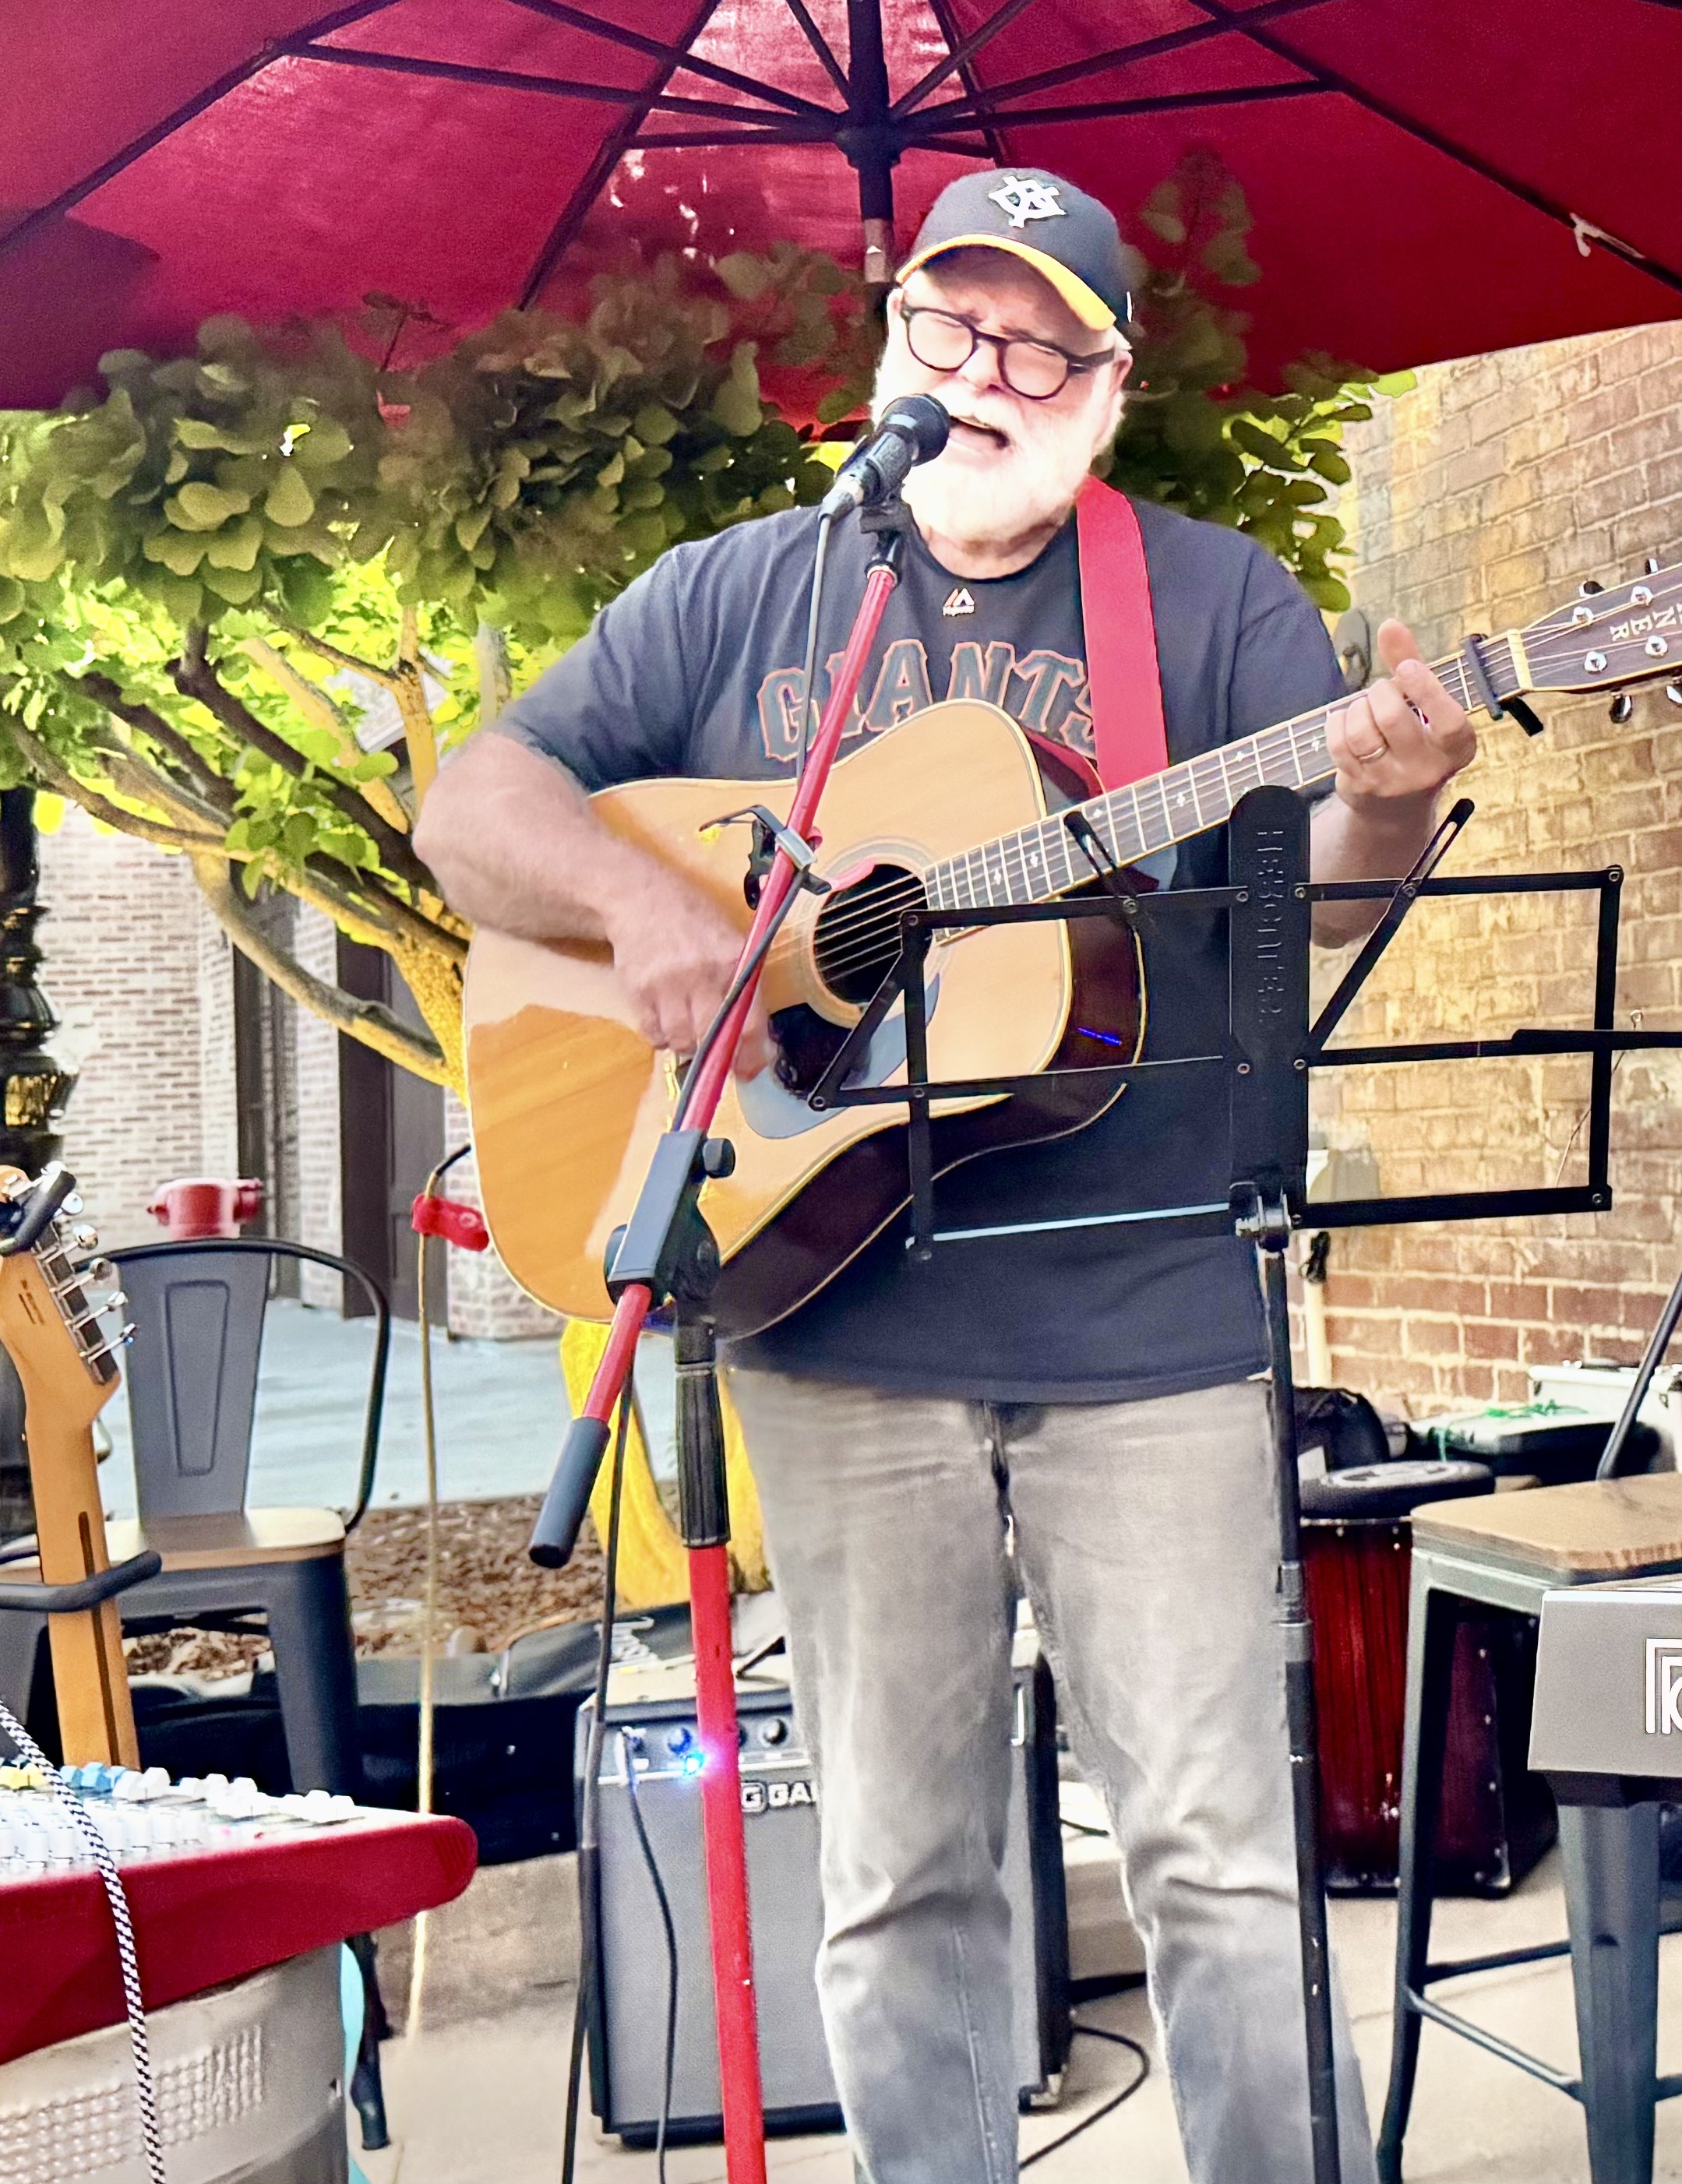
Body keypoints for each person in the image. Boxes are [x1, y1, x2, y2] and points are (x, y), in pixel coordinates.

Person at [416, 167, 1473, 2184]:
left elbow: (1317, 920)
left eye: (1029, 341)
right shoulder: (743, 589)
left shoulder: (1208, 601)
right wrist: (651, 921)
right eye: (944, 329)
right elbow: (475, 797)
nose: (981, 375)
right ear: (891, 343)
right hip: (829, 1316)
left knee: (1221, 1862)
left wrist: (1388, 800)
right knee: (898, 1867)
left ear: (1102, 378)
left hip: (1143, 1314)